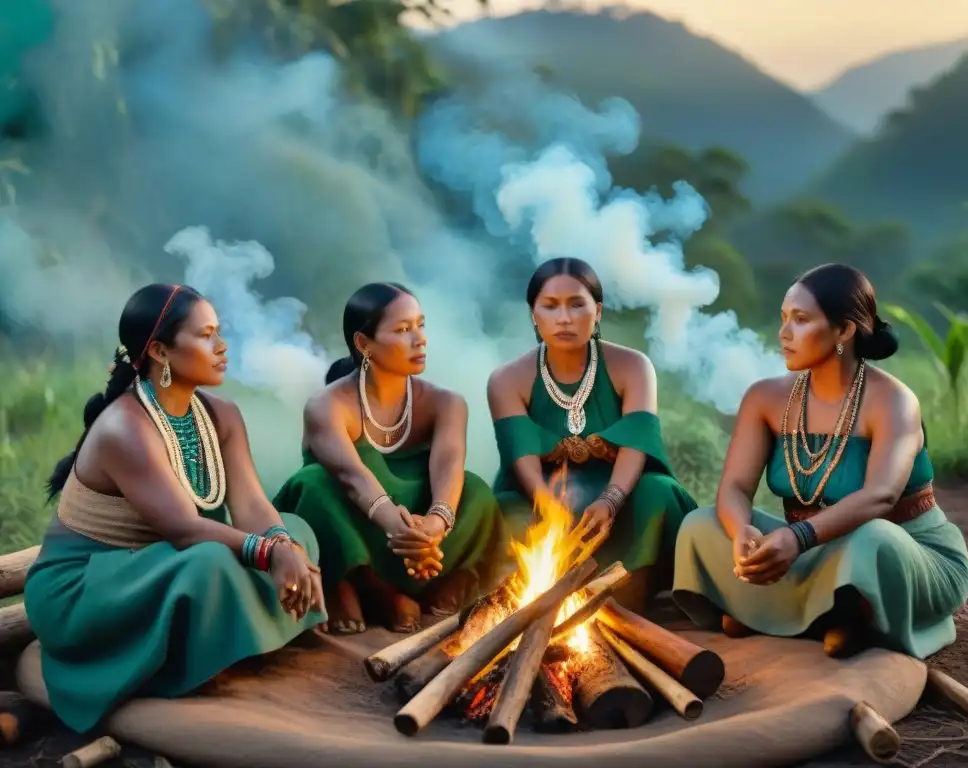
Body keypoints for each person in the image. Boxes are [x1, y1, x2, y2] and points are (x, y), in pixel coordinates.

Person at [24, 283, 327, 735]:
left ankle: (223, 641)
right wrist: (268, 554)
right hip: (85, 587)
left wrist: (282, 543)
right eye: (206, 336)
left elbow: (249, 502)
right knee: (210, 561)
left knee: (298, 529)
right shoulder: (125, 428)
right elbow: (185, 530)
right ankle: (191, 666)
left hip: (158, 563)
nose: (222, 346)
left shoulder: (221, 414)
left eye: (219, 332)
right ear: (161, 351)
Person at [672, 264, 968, 659]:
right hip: (810, 555)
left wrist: (797, 539)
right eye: (783, 319)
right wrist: (740, 530)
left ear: (844, 330)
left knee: (873, 538)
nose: (783, 333)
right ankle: (818, 614)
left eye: (800, 320)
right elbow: (735, 488)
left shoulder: (893, 401)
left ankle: (794, 614)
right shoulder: (766, 398)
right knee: (701, 523)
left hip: (904, 556)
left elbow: (880, 497)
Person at [273, 282, 508, 635]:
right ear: (364, 344)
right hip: (365, 518)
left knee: (474, 489)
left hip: (422, 532)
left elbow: (448, 462)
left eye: (420, 325)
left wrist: (434, 526)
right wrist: (399, 529)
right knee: (313, 484)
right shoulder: (327, 405)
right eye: (402, 330)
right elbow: (352, 477)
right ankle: (361, 585)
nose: (420, 339)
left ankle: (442, 585)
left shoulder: (447, 403)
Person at [487, 257, 698, 611]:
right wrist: (547, 505)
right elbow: (519, 453)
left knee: (659, 492)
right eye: (550, 307)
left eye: (577, 305)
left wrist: (611, 500)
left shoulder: (633, 366)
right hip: (541, 496)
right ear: (533, 315)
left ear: (597, 311)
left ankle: (627, 595)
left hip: (623, 495)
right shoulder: (507, 379)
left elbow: (636, 442)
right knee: (503, 510)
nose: (564, 318)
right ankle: (536, 600)